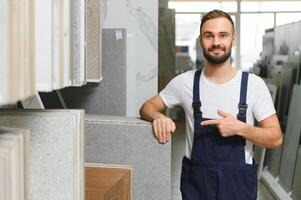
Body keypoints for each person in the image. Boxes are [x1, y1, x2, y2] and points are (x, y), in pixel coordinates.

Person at [139, 9, 282, 200]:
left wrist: (241, 129)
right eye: (209, 36)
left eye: (223, 35)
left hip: (238, 187)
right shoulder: (185, 83)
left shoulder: (254, 86)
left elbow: (275, 138)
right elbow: (146, 107)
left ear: (234, 39)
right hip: (197, 186)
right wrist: (158, 116)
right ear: (200, 41)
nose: (216, 42)